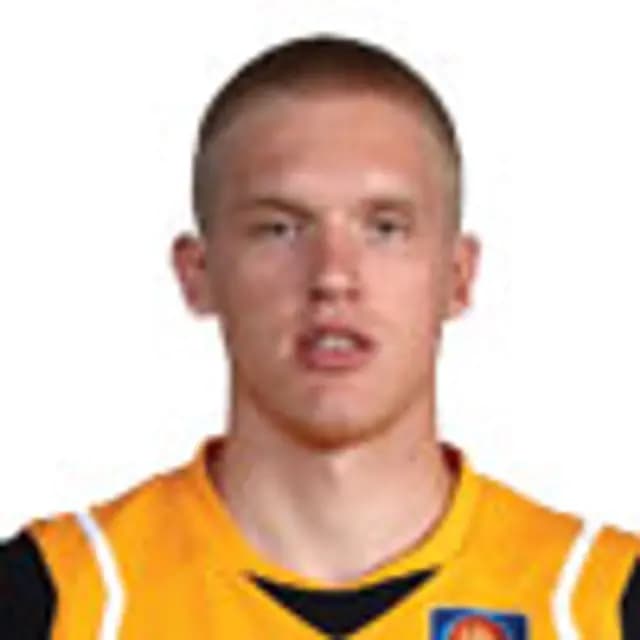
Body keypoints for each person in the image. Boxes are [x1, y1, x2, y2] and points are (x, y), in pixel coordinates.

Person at [1, 34, 638, 639]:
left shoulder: (601, 599)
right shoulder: (53, 599)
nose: (333, 275)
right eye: (279, 228)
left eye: (385, 228)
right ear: (198, 275)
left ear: (457, 277)